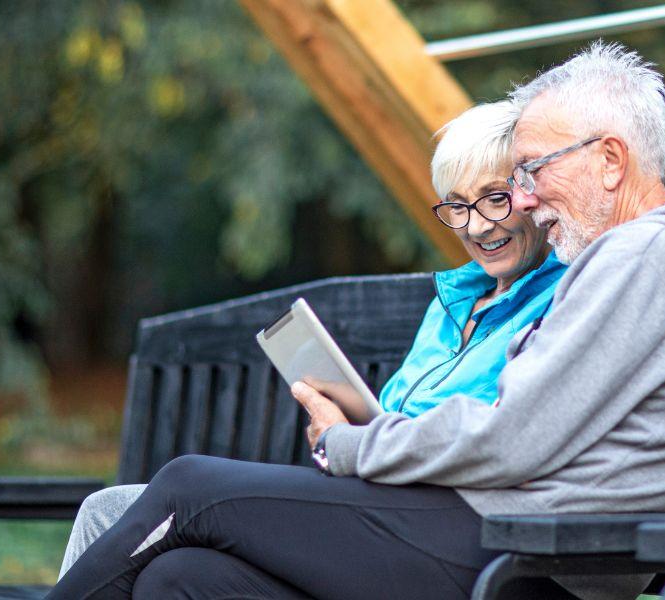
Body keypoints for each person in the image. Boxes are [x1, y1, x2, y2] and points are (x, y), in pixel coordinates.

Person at [50, 41, 665, 600]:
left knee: (188, 488)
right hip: (511, 537)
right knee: (182, 580)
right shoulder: (647, 261)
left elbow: (510, 437)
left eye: (533, 170)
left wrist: (347, 444)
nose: (525, 198)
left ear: (612, 161)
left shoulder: (649, 256)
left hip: (529, 552)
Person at [56, 100, 565, 578]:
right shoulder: (451, 302)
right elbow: (391, 415)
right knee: (172, 572)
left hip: (426, 524)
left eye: (494, 199)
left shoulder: (565, 300)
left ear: (532, 195)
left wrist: (353, 442)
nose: (476, 227)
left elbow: (493, 436)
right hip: (366, 491)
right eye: (457, 206)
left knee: (176, 489)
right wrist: (343, 426)